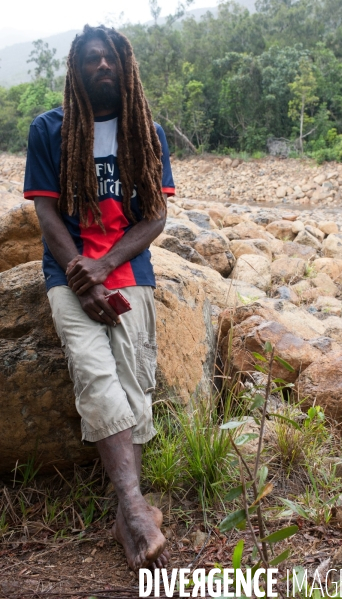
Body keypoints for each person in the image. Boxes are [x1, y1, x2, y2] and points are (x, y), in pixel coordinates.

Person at [23, 24, 175, 571]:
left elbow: (155, 216)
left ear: (124, 66)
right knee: (94, 372)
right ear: (76, 69)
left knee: (134, 379)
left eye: (110, 59)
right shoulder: (50, 129)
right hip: (67, 273)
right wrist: (79, 275)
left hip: (128, 271)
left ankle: (126, 507)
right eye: (92, 60)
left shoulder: (145, 131)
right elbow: (44, 213)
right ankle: (135, 508)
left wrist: (106, 267)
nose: (103, 66)